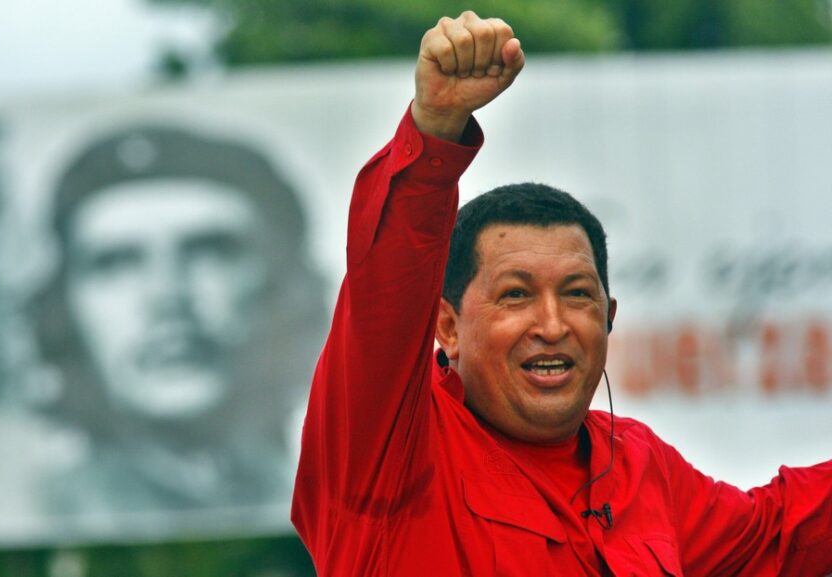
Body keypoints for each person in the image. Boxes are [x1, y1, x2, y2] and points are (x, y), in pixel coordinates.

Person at [291, 11, 832, 576]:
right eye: (515, 295)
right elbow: (383, 294)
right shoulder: (386, 448)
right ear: (447, 326)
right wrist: (436, 126)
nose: (552, 325)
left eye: (576, 295)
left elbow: (779, 532)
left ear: (609, 316)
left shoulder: (639, 465)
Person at [33, 123, 326, 515]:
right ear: (64, 310)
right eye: (116, 264)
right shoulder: (36, 513)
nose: (167, 296)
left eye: (209, 253)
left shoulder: (351, 501)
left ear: (284, 285)